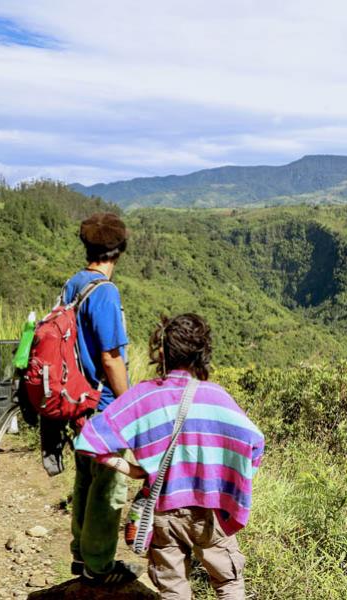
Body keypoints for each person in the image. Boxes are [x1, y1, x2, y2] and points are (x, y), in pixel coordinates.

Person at [74, 313, 264, 600]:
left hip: (162, 511)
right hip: (209, 512)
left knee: (173, 589)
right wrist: (227, 483)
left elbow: (89, 440)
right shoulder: (216, 397)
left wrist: (132, 469)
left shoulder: (143, 396)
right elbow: (255, 445)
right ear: (201, 353)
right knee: (228, 583)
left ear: (161, 352)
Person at [65, 212, 139, 584]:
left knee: (84, 480)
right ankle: (99, 567)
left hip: (77, 403)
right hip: (105, 406)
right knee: (108, 490)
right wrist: (131, 405)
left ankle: (81, 555)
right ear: (119, 250)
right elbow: (111, 358)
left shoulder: (74, 284)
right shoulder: (105, 292)